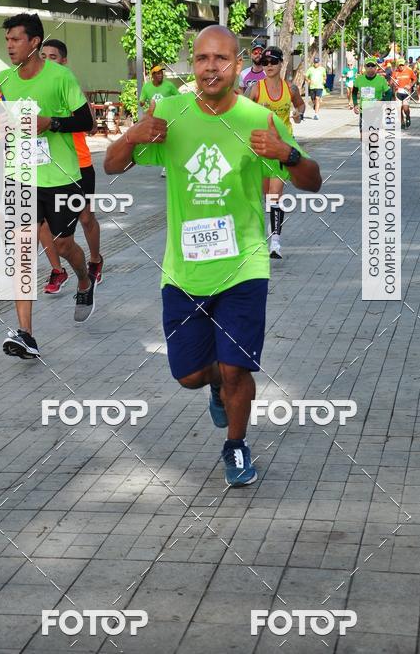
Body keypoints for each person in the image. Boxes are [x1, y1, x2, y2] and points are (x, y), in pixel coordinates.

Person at [104, 25, 322, 487]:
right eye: (202, 58)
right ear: (194, 63)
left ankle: (236, 446)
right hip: (183, 270)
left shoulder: (257, 119)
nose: (211, 67)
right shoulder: (168, 111)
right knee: (190, 375)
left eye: (221, 59)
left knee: (236, 366)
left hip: (244, 263)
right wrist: (131, 135)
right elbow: (112, 165)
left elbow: (313, 180)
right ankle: (218, 390)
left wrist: (287, 154)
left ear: (237, 66)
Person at [0, 13, 96, 360]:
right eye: (7, 39)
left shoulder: (60, 76)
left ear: (34, 42)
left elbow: (89, 122)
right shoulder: (7, 79)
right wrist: (0, 121)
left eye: (15, 39)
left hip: (61, 177)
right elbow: (6, 123)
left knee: (64, 245)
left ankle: (84, 278)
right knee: (20, 251)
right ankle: (26, 334)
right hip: (20, 174)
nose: (9, 45)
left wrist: (50, 122)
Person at [39, 40, 104, 293]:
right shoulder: (33, 89)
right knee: (43, 223)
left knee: (86, 218)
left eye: (53, 56)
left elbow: (91, 125)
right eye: (43, 55)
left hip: (79, 166)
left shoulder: (69, 87)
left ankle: (95, 260)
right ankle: (58, 270)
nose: (47, 60)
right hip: (45, 167)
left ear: (63, 61)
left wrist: (54, 120)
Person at [248, 45, 305, 259]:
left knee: (275, 196)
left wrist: (298, 114)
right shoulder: (255, 89)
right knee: (265, 196)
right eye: (265, 62)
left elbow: (300, 106)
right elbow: (240, 112)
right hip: (261, 149)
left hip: (282, 148)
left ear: (281, 64)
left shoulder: (290, 88)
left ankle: (275, 242)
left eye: (273, 62)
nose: (269, 66)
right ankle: (263, 237)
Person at [352, 58, 390, 136]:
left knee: (374, 137)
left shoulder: (381, 80)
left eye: (372, 65)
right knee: (364, 137)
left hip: (377, 111)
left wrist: (382, 102)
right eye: (368, 65)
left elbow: (389, 93)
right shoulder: (359, 79)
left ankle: (373, 147)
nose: (370, 67)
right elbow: (354, 93)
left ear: (376, 67)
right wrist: (355, 104)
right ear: (365, 67)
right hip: (364, 111)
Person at [390, 59, 416, 129]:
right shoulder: (395, 72)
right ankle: (402, 122)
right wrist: (394, 83)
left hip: (406, 92)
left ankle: (408, 117)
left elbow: (414, 79)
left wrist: (410, 85)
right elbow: (391, 82)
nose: (401, 66)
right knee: (399, 108)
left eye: (402, 65)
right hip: (397, 92)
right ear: (397, 65)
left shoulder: (409, 71)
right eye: (400, 65)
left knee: (405, 108)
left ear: (404, 65)